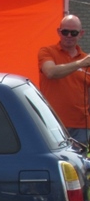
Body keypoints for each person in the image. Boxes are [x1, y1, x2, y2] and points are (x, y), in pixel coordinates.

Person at [38, 14, 90, 144]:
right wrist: (80, 64)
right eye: (65, 32)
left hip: (81, 125)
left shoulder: (86, 59)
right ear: (59, 31)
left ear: (81, 34)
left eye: (74, 33)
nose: (69, 36)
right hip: (52, 122)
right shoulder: (47, 51)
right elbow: (50, 72)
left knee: (79, 157)